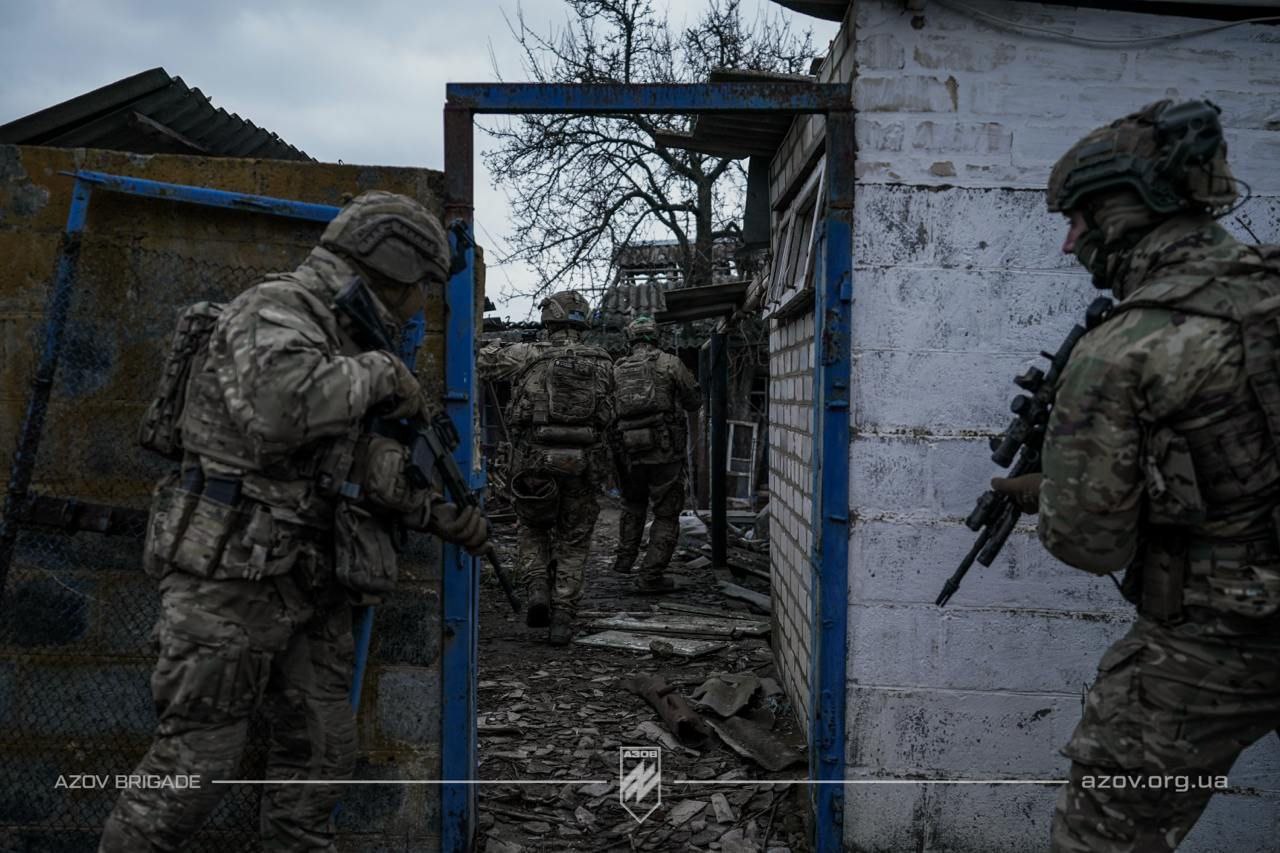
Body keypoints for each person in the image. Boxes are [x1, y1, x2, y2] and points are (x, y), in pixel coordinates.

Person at [101, 191, 490, 852]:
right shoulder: (277, 307)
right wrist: (381, 374)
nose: (421, 303)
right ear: (390, 267)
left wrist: (437, 511)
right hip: (230, 580)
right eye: (421, 285)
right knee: (192, 767)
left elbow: (344, 466)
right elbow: (280, 411)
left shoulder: (344, 335)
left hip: (309, 580)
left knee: (319, 755)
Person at [992, 100, 1280, 852]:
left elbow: (1090, 542)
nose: (1069, 242)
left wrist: (1053, 487)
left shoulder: (1122, 349)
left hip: (1216, 639)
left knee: (1105, 833)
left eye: (1077, 219)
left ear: (1128, 207)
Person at [477, 291, 614, 645]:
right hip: (584, 466)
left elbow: (482, 361)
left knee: (533, 528)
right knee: (574, 539)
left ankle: (537, 588)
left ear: (548, 320)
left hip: (533, 464)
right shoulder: (603, 361)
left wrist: (499, 344)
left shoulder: (529, 354)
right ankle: (564, 615)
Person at [609, 315, 701, 592]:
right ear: (656, 337)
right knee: (666, 512)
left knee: (632, 504)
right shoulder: (670, 363)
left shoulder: (617, 368)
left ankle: (624, 561)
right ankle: (650, 576)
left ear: (630, 339)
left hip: (628, 450)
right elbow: (693, 401)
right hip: (664, 451)